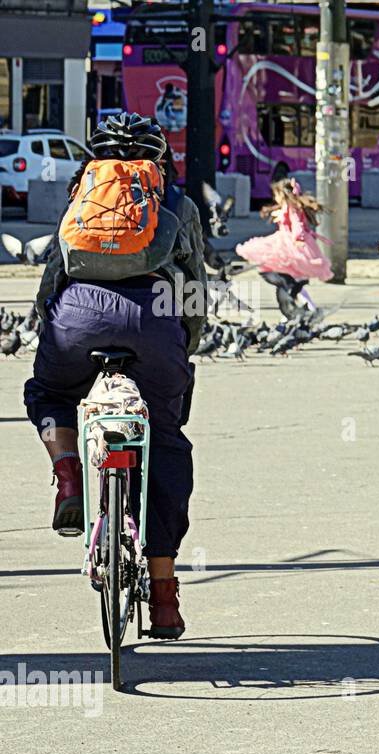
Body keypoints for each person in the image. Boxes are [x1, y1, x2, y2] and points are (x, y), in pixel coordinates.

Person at [23, 112, 207, 638]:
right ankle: (165, 598)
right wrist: (184, 346)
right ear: (159, 159)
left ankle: (69, 478)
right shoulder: (175, 202)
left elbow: (53, 275)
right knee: (166, 440)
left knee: (50, 393)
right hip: (154, 318)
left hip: (77, 315)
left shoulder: (84, 196)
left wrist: (51, 328)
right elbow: (193, 285)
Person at [235, 177, 332, 320]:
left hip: (289, 244)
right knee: (293, 282)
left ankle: (297, 311)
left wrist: (298, 238)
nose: (275, 198)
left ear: (283, 194)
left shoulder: (291, 207)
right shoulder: (289, 206)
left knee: (290, 282)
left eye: (276, 195)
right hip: (287, 242)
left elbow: (297, 223)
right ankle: (304, 309)